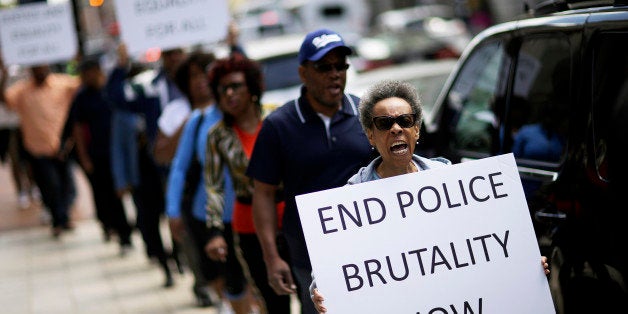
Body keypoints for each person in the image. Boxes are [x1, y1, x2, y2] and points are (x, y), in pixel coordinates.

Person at [308, 80, 552, 313]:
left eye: (405, 120)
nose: (396, 129)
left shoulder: (451, 181)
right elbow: (330, 272)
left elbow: (486, 245)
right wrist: (322, 293)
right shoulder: (351, 201)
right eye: (384, 123)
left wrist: (524, 264)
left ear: (416, 130)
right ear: (371, 135)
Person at [246, 28, 375, 314]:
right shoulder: (279, 125)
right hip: (309, 259)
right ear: (303, 73)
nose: (334, 74)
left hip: (373, 252)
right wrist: (271, 258)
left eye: (340, 65)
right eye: (324, 67)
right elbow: (263, 194)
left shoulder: (368, 113)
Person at [204, 53, 291, 314]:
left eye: (236, 86)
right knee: (274, 299)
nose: (229, 94)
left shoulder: (277, 117)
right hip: (249, 225)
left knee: (309, 288)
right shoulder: (217, 135)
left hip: (292, 218)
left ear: (252, 87)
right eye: (223, 89)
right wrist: (215, 232)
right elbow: (213, 186)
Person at [165, 51, 229, 307]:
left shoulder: (237, 110)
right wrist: (172, 212)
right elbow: (179, 169)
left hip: (245, 210)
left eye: (206, 72)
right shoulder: (197, 120)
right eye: (193, 76)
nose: (201, 80)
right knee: (216, 275)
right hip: (206, 214)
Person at [1, 60, 80, 238]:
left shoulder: (61, 83)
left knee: (68, 187)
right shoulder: (22, 90)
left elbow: (81, 83)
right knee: (49, 186)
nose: (40, 71)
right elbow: (5, 100)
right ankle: (58, 220)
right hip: (37, 149)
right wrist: (4, 75)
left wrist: (76, 59)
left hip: (62, 147)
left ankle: (63, 217)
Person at [68, 58, 133, 254]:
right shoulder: (82, 97)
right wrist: (84, 157)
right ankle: (111, 226)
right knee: (103, 194)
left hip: (118, 153)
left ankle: (124, 233)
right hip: (97, 154)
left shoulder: (111, 91)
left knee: (119, 191)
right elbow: (78, 129)